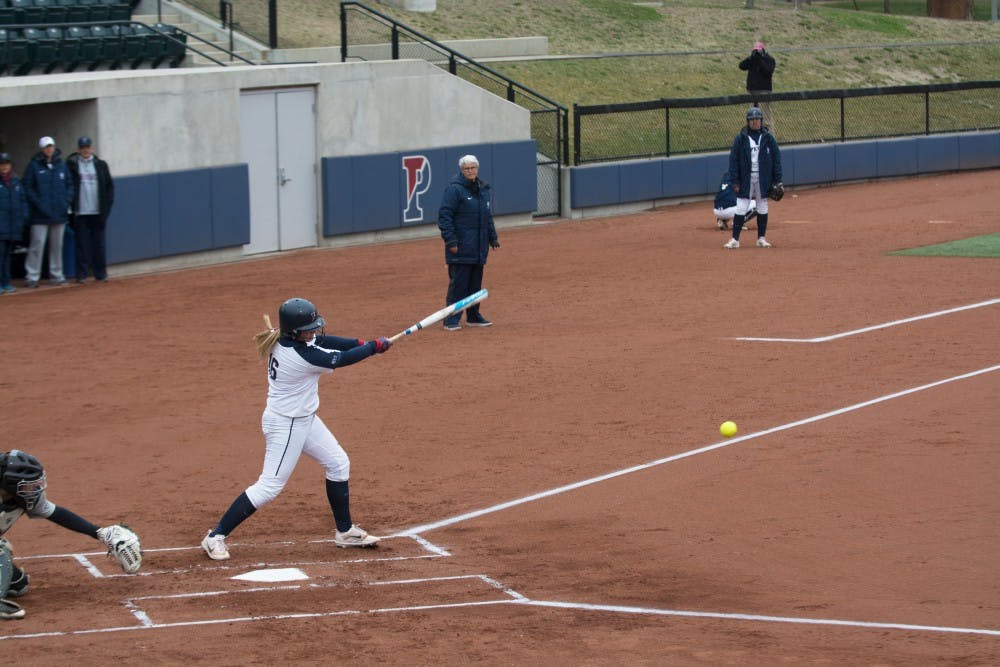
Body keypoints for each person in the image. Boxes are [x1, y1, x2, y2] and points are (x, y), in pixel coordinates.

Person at [200, 298, 393, 561]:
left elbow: (327, 341)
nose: (313, 331)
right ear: (294, 330)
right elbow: (340, 358)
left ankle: (345, 532)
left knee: (338, 463)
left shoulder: (285, 339)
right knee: (269, 486)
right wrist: (373, 348)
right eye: (308, 328)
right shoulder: (302, 356)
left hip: (303, 419)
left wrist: (361, 342)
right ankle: (215, 537)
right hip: (287, 425)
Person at [1, 449, 143, 620]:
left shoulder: (20, 498)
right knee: (3, 549)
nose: (34, 490)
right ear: (10, 484)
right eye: (28, 486)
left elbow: (57, 514)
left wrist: (98, 532)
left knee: (18, 585)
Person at [437, 154, 499, 331]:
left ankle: (473, 316)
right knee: (458, 285)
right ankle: (451, 319)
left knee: (474, 286)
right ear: (461, 170)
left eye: (473, 168)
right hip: (461, 247)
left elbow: (487, 216)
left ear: (477, 169)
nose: (470, 171)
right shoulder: (454, 190)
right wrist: (451, 241)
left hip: (479, 247)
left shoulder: (483, 189)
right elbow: (445, 216)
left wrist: (492, 237)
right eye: (466, 169)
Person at [724, 106, 782, 249]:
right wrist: (735, 181)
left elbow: (776, 159)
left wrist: (778, 180)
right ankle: (734, 240)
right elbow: (733, 161)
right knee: (741, 206)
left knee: (762, 206)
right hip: (746, 177)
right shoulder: (741, 138)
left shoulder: (768, 138)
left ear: (761, 121)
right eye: (752, 120)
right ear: (748, 121)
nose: (755, 122)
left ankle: (761, 238)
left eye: (757, 119)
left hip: (763, 178)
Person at [21, 136, 74, 288]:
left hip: (59, 213)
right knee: (37, 245)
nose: (49, 149)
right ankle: (32, 276)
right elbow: (27, 186)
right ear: (41, 149)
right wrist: (38, 203)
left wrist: (66, 201)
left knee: (57, 246)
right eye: (46, 147)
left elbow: (70, 184)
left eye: (51, 146)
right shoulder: (34, 165)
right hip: (40, 215)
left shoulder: (61, 165)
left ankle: (57, 275)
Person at [66, 136, 114, 284]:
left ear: (92, 148)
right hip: (81, 212)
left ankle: (101, 273)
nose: (85, 150)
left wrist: (106, 209)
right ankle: (81, 275)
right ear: (78, 150)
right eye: (82, 148)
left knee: (98, 244)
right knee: (81, 244)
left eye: (87, 147)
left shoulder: (100, 165)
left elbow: (109, 188)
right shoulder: (72, 165)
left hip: (97, 212)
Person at [0, 153, 29, 295]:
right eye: (2, 163)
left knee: (7, 256)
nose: (4, 166)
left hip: (12, 227)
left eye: (6, 163)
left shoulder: (16, 181)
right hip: (1, 226)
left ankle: (6, 282)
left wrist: (23, 219)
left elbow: (23, 202)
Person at [739, 40, 777, 134]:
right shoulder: (752, 60)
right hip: (752, 91)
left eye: (758, 51)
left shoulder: (769, 59)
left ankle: (769, 137)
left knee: (765, 118)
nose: (757, 53)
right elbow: (742, 66)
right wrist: (751, 57)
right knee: (752, 117)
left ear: (763, 51)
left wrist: (760, 60)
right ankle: (753, 137)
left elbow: (768, 71)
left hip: (764, 91)